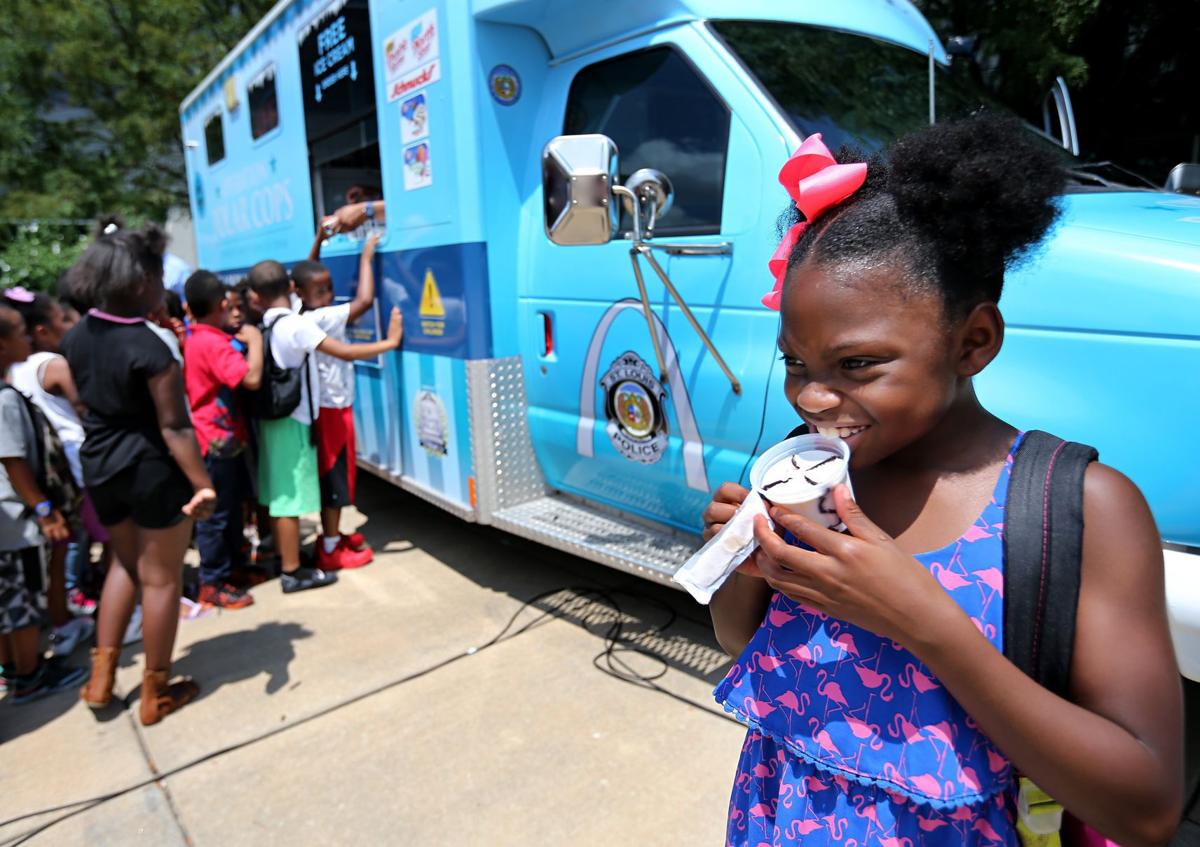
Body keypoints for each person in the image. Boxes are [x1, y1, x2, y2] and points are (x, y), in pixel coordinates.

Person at [703, 115, 1183, 846]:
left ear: (974, 342)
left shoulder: (1082, 508)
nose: (813, 399)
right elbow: (748, 648)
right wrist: (744, 564)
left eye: (856, 364)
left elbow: (1146, 807)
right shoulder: (812, 467)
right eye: (795, 362)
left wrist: (922, 621)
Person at [63, 224, 217, 725]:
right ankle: (157, 691)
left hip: (100, 468)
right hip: (150, 470)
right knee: (161, 580)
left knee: (122, 569)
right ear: (138, 282)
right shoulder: (150, 346)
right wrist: (202, 483)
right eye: (156, 276)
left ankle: (100, 679)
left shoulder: (76, 335)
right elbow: (173, 426)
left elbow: (81, 398)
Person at [245, 260, 402, 593]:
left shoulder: (268, 322)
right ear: (290, 288)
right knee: (290, 500)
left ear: (255, 296)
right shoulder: (295, 326)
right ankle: (293, 572)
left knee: (278, 495)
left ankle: (282, 553)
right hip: (294, 421)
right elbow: (343, 351)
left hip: (274, 421)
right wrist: (388, 344)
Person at [0, 303, 88, 702]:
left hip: (17, 515)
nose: (28, 338)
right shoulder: (3, 398)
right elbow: (12, 461)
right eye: (19, 332)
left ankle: (13, 669)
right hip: (17, 519)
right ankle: (29, 675)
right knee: (22, 600)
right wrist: (43, 509)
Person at [294, 230, 385, 570]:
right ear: (301, 292)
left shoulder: (299, 309)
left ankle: (332, 536)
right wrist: (365, 257)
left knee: (335, 475)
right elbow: (363, 301)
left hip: (327, 409)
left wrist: (317, 239)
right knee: (335, 478)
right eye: (321, 291)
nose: (328, 295)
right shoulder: (322, 317)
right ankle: (331, 547)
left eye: (329, 288)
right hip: (333, 411)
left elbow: (308, 269)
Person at [182, 270, 264, 608]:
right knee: (217, 516)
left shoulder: (195, 337)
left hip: (219, 437)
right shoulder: (213, 343)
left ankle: (232, 570)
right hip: (215, 440)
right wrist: (256, 342)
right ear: (221, 305)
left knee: (230, 510)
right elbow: (251, 379)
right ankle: (212, 582)